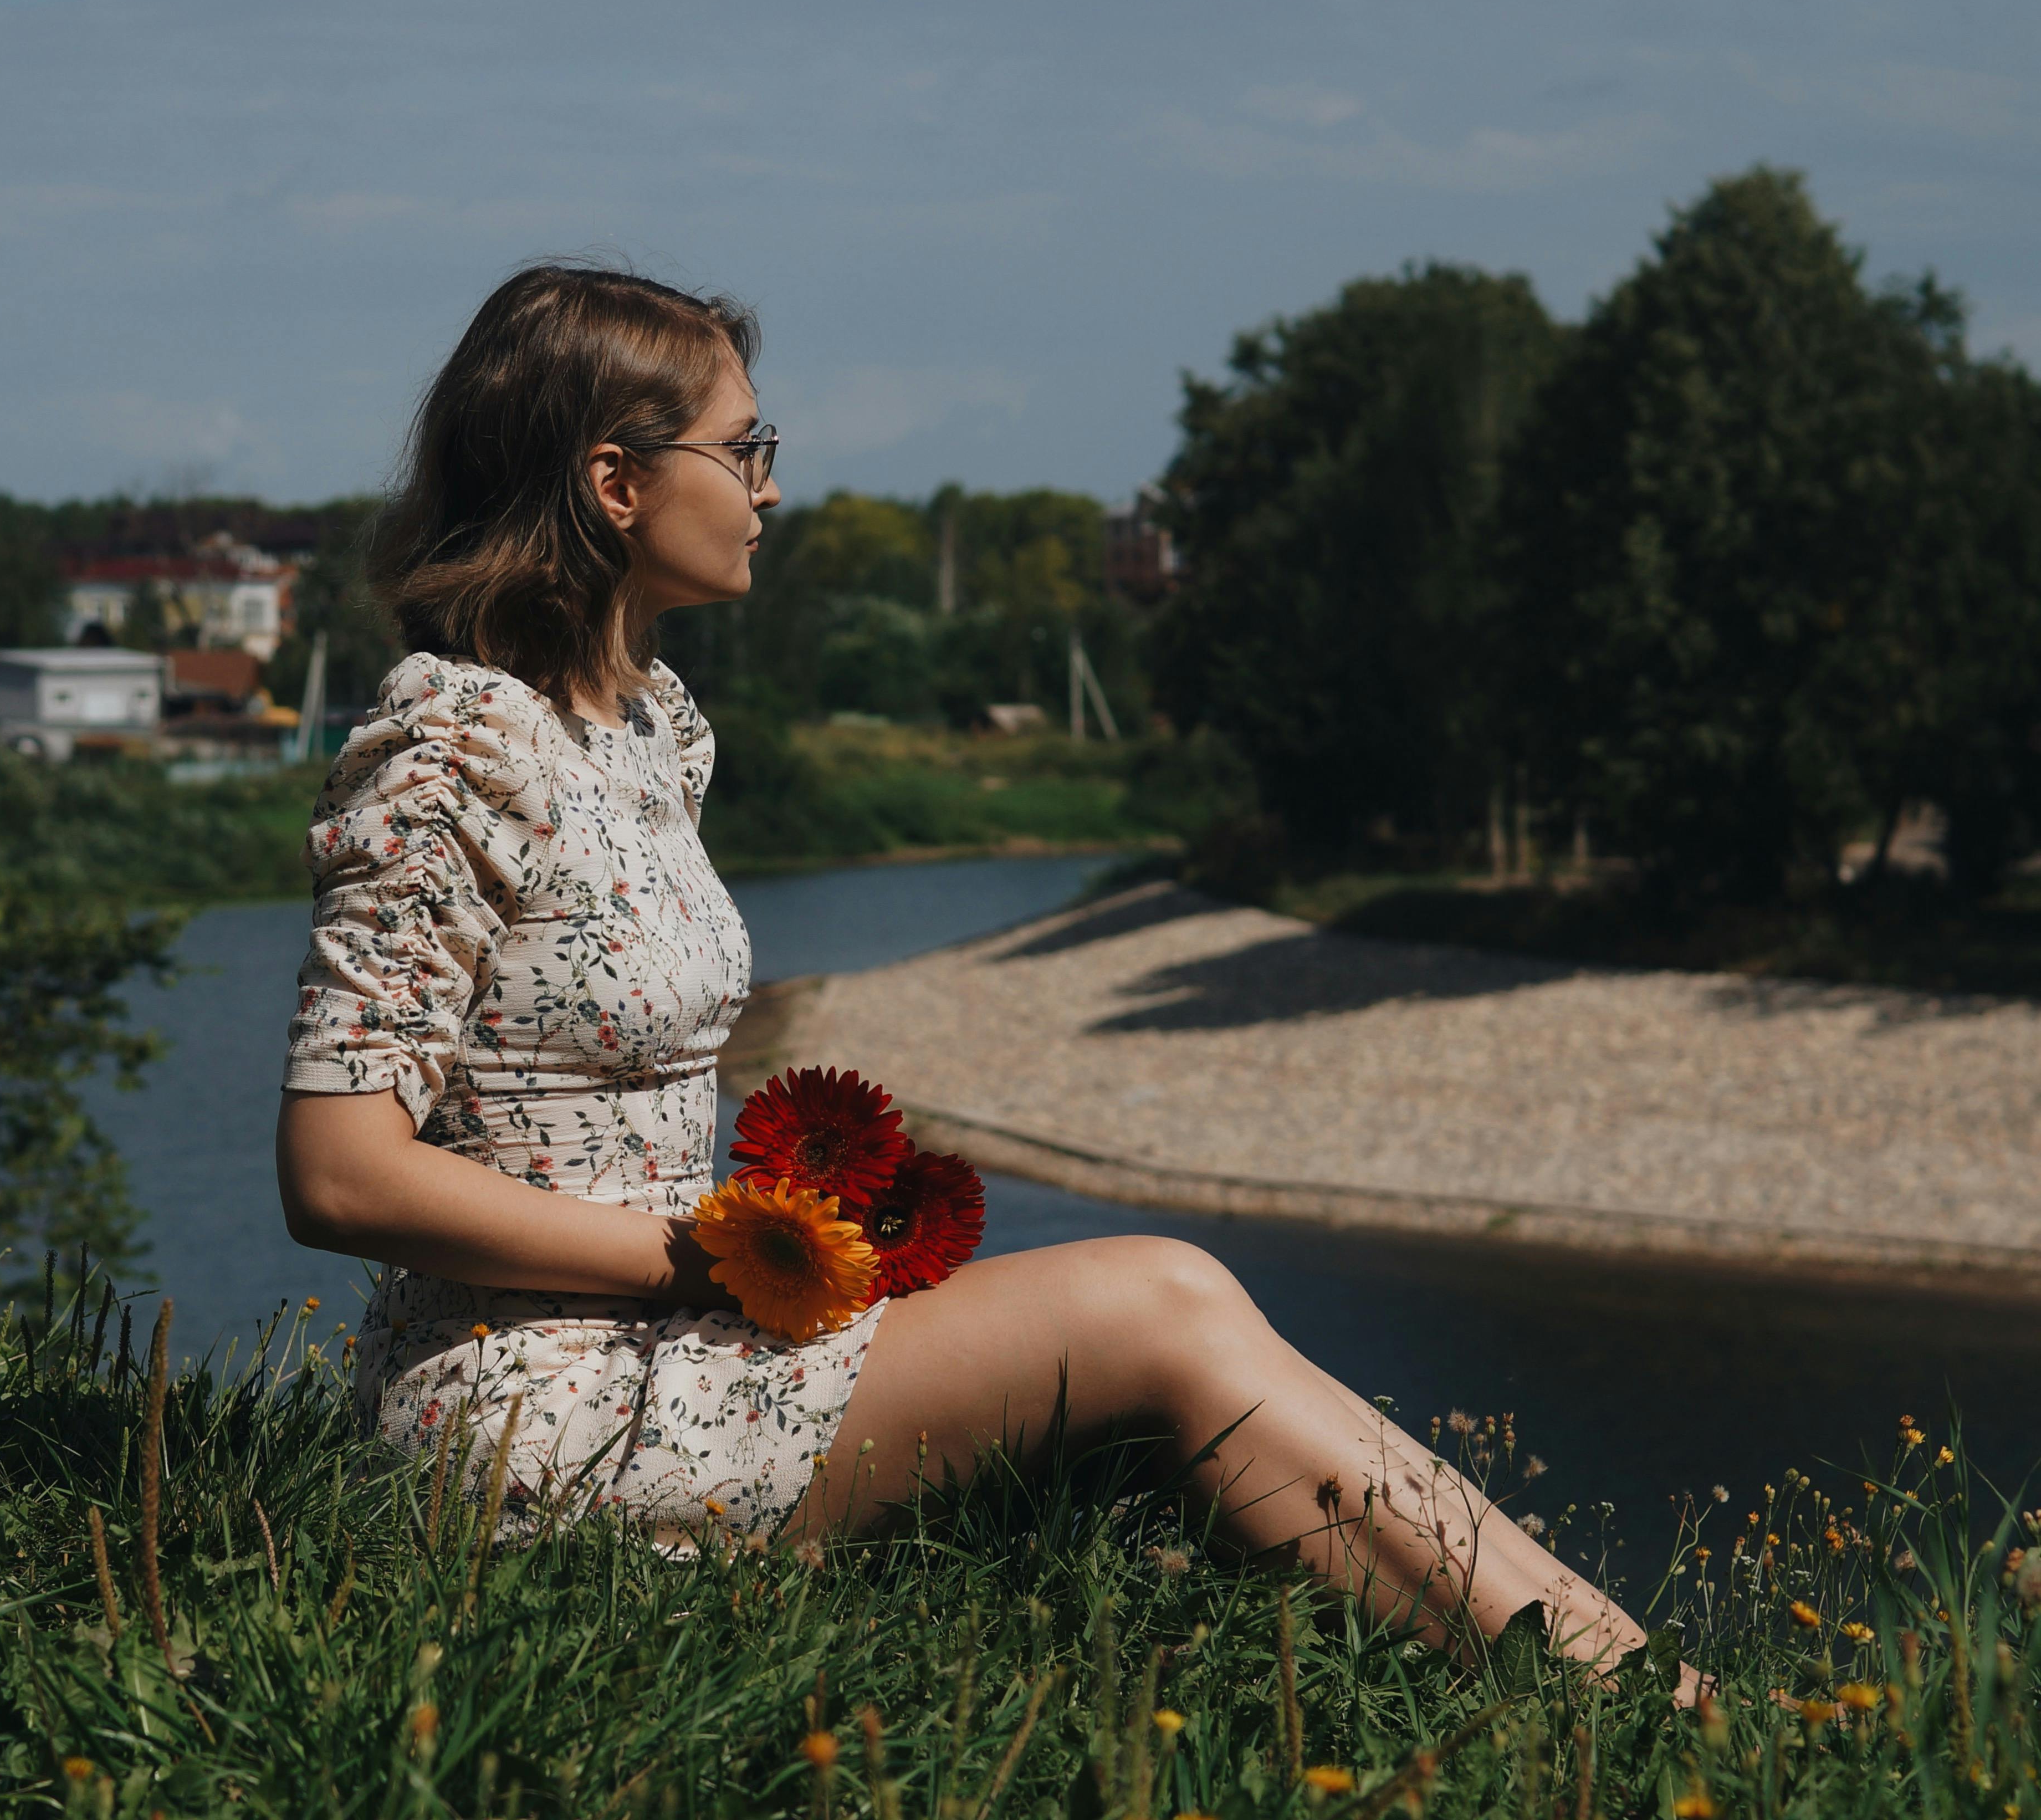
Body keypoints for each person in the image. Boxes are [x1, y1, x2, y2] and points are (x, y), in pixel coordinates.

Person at [274, 262, 1667, 1673]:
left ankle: (1603, 1690)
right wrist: (695, 1257)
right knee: (1159, 1298)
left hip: (679, 1344)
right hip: (530, 1410)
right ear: (614, 481)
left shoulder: (650, 732)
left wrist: (758, 1251)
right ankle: (1637, 1702)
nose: (768, 486)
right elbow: (340, 1175)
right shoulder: (454, 745)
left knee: (1178, 1385)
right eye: (743, 446)